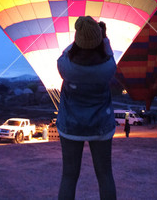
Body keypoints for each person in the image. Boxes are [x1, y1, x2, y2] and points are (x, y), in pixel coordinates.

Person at [57, 16, 117, 200]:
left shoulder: (65, 67)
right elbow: (109, 53)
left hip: (70, 126)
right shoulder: (108, 67)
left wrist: (78, 41)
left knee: (69, 176)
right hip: (100, 126)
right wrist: (103, 39)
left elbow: (66, 52)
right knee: (105, 175)